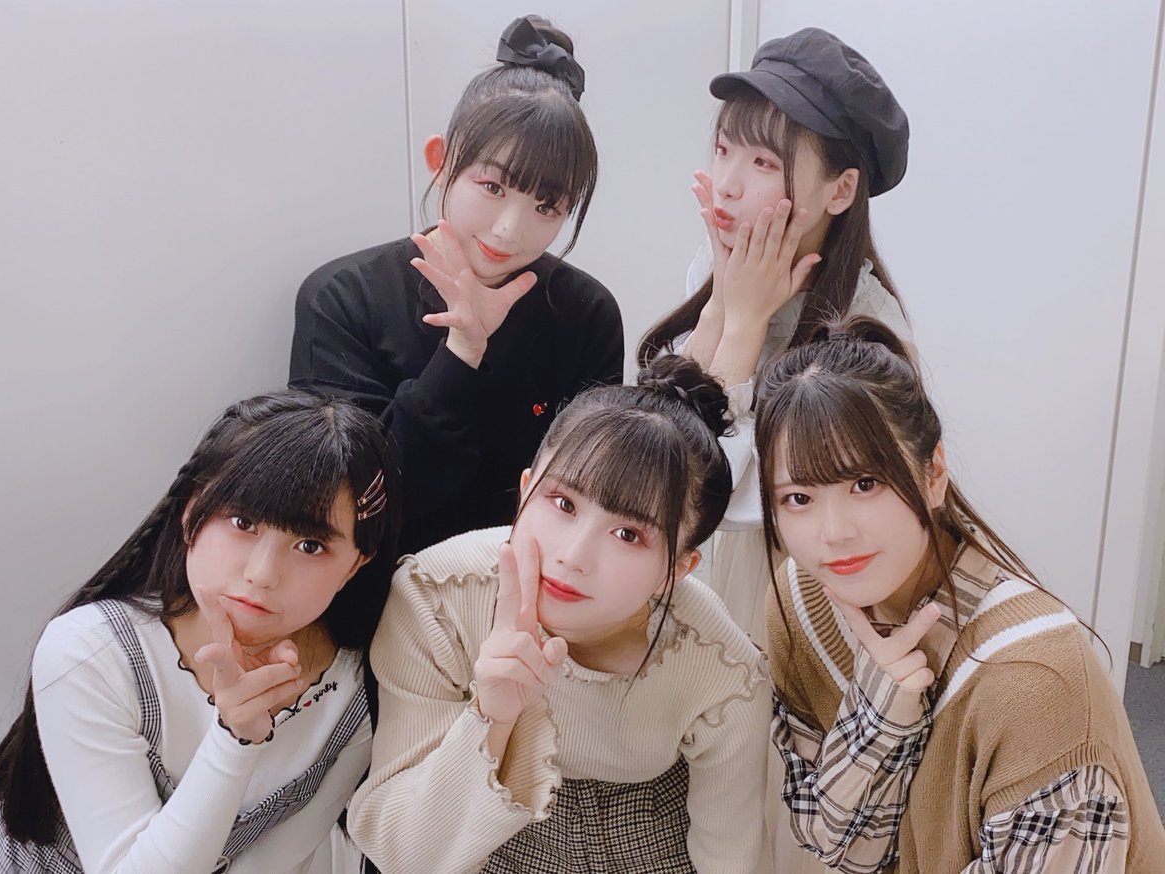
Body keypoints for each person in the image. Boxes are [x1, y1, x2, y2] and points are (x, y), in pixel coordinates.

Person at [756, 317, 1165, 872]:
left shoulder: (1037, 682)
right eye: (798, 498)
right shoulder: (800, 598)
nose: (833, 534)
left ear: (933, 474)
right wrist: (881, 712)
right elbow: (833, 841)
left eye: (865, 484)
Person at [347, 356, 769, 873]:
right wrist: (493, 717)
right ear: (526, 488)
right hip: (488, 818)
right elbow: (403, 854)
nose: (572, 556)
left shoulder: (724, 668)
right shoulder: (436, 596)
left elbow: (729, 854)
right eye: (564, 503)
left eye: (629, 534)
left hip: (655, 829)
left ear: (678, 569)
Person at [0, 391, 401, 873]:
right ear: (191, 512)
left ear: (355, 565)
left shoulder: (359, 687)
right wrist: (235, 739)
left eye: (311, 546)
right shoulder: (89, 652)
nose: (261, 574)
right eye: (242, 522)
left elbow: (276, 861)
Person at [290, 15, 622, 556]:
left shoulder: (586, 314)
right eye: (492, 186)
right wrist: (462, 351)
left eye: (546, 206)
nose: (509, 230)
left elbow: (593, 496)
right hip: (374, 586)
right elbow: (350, 503)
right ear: (440, 163)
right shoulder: (342, 298)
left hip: (531, 584)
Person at [638, 27, 914, 648]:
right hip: (692, 588)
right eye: (724, 149)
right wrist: (720, 306)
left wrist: (742, 324)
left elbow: (728, 501)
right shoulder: (719, 267)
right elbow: (660, 458)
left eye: (763, 163)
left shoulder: (866, 335)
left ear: (841, 190)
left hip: (792, 610)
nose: (728, 184)